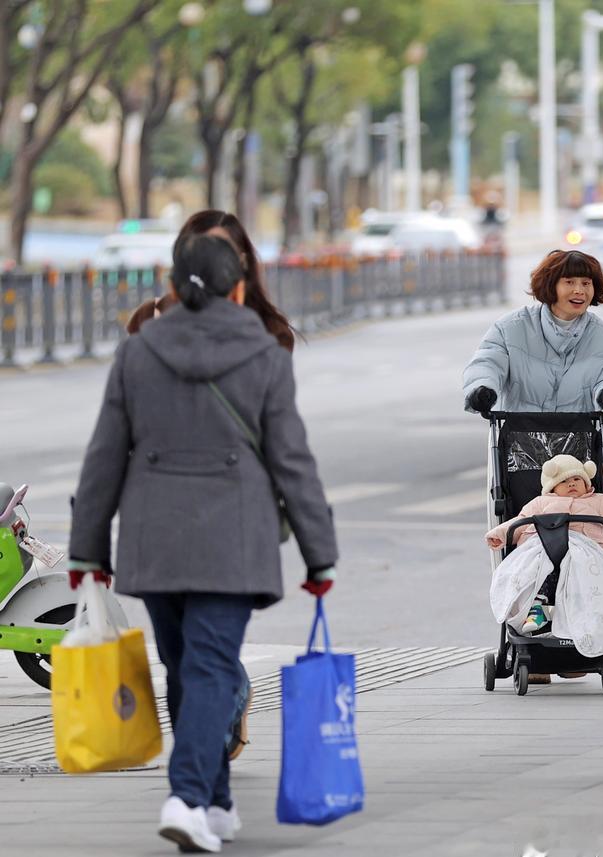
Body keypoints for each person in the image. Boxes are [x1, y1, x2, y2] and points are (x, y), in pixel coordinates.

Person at [68, 234, 338, 853]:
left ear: (173, 285)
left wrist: (88, 550)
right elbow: (291, 459)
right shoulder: (263, 355)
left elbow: (104, 455)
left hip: (153, 535)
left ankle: (214, 803)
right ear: (238, 287)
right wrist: (318, 552)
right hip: (232, 536)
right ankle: (188, 796)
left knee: (187, 669)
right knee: (211, 665)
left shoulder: (136, 353)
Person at [126, 210, 291, 766]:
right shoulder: (148, 322)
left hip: (233, 512)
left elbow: (279, 437)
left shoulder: (270, 332)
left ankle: (198, 785)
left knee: (208, 648)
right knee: (178, 658)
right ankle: (208, 752)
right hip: (162, 513)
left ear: (244, 261)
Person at [463, 249, 603, 420]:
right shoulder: (511, 328)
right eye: (569, 282)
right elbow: (488, 362)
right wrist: (483, 388)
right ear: (551, 285)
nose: (579, 290)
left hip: (579, 438)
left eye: (586, 283)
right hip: (518, 436)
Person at [487, 454, 603, 633]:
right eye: (564, 481)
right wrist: (500, 534)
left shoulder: (601, 501)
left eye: (577, 479)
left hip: (586, 547)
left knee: (581, 567)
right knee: (537, 566)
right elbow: (521, 521)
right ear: (552, 488)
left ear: (587, 483)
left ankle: (582, 613)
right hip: (544, 545)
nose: (571, 484)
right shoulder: (541, 502)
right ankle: (540, 607)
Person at [126, 210, 295, 352]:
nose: (207, 262)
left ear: (242, 262)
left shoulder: (272, 331)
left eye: (220, 252)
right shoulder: (149, 316)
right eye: (196, 250)